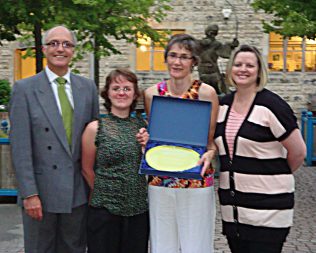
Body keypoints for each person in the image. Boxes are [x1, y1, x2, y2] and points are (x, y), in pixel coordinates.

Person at [9, 25, 99, 253]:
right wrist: (30, 194)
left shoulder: (87, 88)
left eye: (66, 44)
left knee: (75, 249)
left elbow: (95, 141)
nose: (60, 49)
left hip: (77, 193)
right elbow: (20, 147)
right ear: (44, 48)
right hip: (41, 193)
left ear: (73, 50)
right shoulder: (24, 89)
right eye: (54, 44)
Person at [214, 44, 306, 253]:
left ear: (259, 70)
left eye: (249, 65)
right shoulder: (223, 105)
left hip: (269, 208)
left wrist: (272, 175)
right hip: (234, 211)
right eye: (237, 64)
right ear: (230, 69)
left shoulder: (271, 105)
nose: (243, 69)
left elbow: (299, 152)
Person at [142, 33, 219, 253]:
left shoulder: (206, 93)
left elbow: (210, 142)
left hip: (196, 180)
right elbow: (156, 138)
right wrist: (145, 141)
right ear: (165, 58)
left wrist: (210, 154)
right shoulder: (152, 94)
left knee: (196, 244)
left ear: (194, 61)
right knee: (162, 243)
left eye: (184, 57)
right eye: (173, 55)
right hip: (160, 179)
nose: (177, 62)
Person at [81, 68, 149, 253]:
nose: (121, 93)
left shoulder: (144, 128)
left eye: (127, 88)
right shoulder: (95, 128)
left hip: (138, 210)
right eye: (116, 88)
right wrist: (106, 191)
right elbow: (86, 169)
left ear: (135, 94)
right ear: (107, 93)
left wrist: (147, 146)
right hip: (104, 211)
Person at [198, 24, 239, 94]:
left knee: (215, 87)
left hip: (209, 69)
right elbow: (224, 53)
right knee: (209, 88)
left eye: (214, 33)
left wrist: (231, 45)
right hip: (207, 69)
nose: (212, 34)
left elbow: (223, 52)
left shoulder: (214, 44)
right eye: (212, 32)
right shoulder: (202, 43)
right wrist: (231, 46)